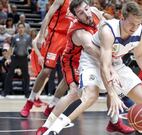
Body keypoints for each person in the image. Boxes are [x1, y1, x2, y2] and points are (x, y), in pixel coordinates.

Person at [36, 0, 134, 135]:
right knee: (74, 93)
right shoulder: (78, 31)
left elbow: (105, 19)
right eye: (81, 13)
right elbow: (90, 48)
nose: (86, 14)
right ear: (76, 17)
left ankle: (115, 122)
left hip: (94, 56)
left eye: (86, 9)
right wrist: (111, 65)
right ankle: (46, 126)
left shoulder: (93, 12)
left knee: (112, 83)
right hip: (74, 60)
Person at [96, 1, 142, 135]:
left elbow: (140, 55)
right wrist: (111, 91)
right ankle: (53, 121)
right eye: (131, 23)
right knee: (86, 96)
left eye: (138, 24)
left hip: (116, 62)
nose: (135, 27)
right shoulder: (109, 31)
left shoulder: (141, 32)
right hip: (94, 60)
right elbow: (104, 65)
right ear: (122, 18)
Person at [20, 0, 73, 117]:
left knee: (68, 76)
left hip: (71, 38)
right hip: (56, 36)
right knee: (46, 71)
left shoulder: (82, 3)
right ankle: (30, 101)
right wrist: (41, 35)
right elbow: (48, 16)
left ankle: (52, 105)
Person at [2, 23, 31, 97]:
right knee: (9, 75)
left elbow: (31, 47)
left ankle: (27, 93)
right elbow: (11, 48)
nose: (21, 29)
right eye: (19, 28)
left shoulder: (28, 37)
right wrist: (8, 58)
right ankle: (5, 92)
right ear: (17, 29)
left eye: (22, 27)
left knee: (26, 76)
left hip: (24, 58)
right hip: (15, 57)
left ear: (24, 29)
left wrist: (30, 56)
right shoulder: (14, 37)